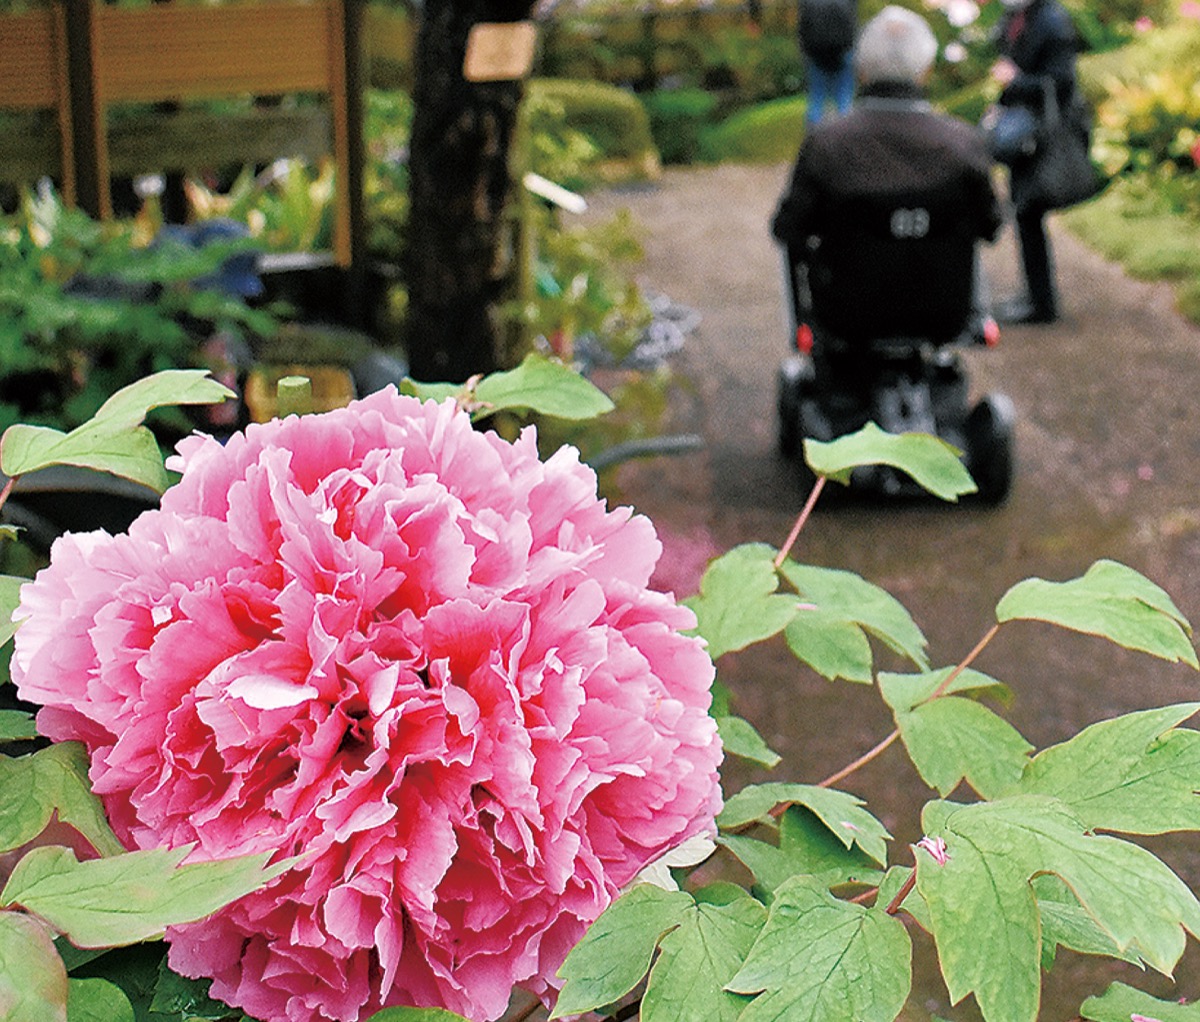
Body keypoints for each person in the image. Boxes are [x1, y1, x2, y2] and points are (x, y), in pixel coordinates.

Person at [773, 4, 1003, 371]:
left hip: (848, 314)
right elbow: (990, 226)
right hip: (941, 313)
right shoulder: (962, 146)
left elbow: (788, 229)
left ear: (861, 70)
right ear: (926, 70)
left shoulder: (827, 146)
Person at [990, 0, 1080, 324]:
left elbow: (1061, 81)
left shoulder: (1052, 22)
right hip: (1025, 133)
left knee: (1030, 212)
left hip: (1041, 137)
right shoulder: (1019, 16)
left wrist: (1014, 82)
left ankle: (1042, 304)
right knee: (1025, 215)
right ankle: (1036, 297)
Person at [797, 0, 859, 126]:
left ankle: (813, 137)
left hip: (815, 56)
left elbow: (802, 28)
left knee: (816, 99)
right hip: (844, 53)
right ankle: (846, 135)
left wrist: (806, 53)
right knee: (844, 99)